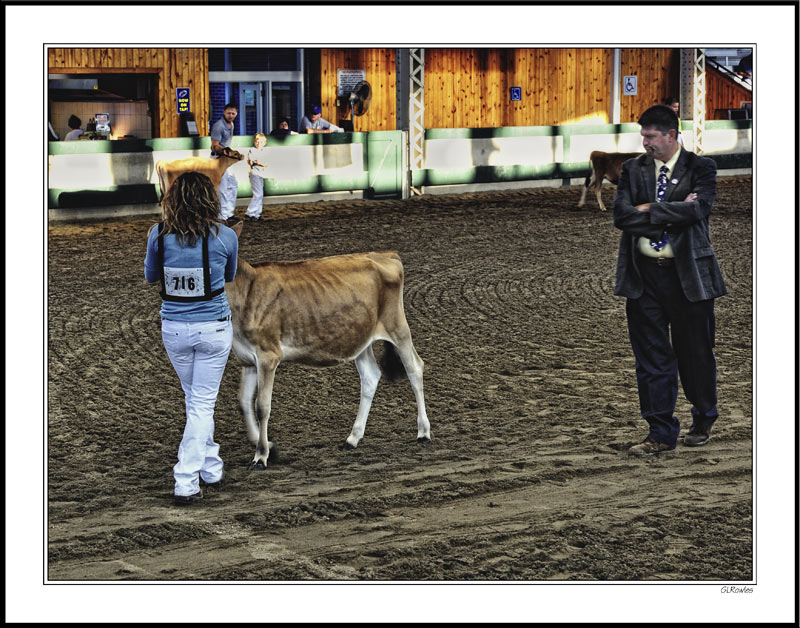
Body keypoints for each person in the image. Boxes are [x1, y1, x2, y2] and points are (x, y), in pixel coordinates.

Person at [612, 104, 726, 457]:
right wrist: (674, 212)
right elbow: (622, 217)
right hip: (644, 279)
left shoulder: (702, 168)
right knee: (651, 360)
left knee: (695, 356)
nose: (644, 142)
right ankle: (659, 432)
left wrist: (649, 209)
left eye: (650, 136)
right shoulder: (632, 170)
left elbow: (699, 210)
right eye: (642, 135)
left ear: (671, 135)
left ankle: (703, 417)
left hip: (688, 277)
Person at [143, 171, 240, 504]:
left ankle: (211, 466)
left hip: (174, 328)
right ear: (210, 200)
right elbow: (229, 276)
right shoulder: (226, 236)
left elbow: (150, 276)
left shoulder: (158, 234)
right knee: (201, 403)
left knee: (196, 400)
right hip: (214, 327)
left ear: (173, 200)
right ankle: (186, 479)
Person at [210, 103, 239, 222]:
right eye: (229, 113)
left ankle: (229, 213)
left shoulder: (231, 125)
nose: (231, 115)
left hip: (227, 159)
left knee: (233, 185)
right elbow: (214, 145)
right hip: (218, 158)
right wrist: (225, 150)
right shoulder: (218, 126)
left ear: (236, 114)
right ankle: (222, 216)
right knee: (222, 188)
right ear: (224, 112)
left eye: (233, 113)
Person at [245, 133, 269, 221]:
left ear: (265, 142)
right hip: (254, 173)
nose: (259, 143)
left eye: (261, 142)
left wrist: (262, 163)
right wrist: (262, 163)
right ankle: (250, 212)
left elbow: (266, 162)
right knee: (258, 194)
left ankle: (256, 214)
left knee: (260, 194)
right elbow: (254, 162)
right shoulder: (252, 150)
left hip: (260, 173)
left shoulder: (264, 151)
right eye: (257, 141)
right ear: (255, 142)